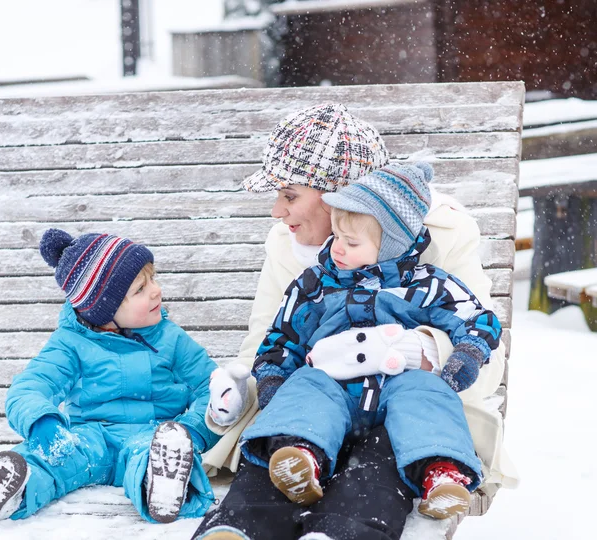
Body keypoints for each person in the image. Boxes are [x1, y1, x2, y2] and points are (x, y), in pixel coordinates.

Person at [196, 104, 517, 540]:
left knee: (379, 461)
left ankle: (340, 532)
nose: (276, 211)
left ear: (340, 194)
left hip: (405, 414)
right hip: (319, 400)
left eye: (289, 195)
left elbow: (482, 339)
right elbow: (269, 343)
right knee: (288, 434)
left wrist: (423, 350)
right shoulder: (290, 250)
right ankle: (237, 527)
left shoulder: (439, 236)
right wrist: (244, 389)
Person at [239, 161, 502, 520]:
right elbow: (282, 335)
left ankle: (441, 472)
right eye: (335, 237)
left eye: (352, 242)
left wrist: (469, 352)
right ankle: (301, 455)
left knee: (428, 395)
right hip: (335, 387)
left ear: (391, 246)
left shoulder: (425, 284)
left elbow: (476, 317)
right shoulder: (315, 284)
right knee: (307, 384)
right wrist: (272, 377)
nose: (337, 250)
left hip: (397, 387)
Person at [0, 229, 223, 524]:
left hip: (154, 434)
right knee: (59, 458)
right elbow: (32, 385)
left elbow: (213, 389)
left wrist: (192, 432)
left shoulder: (171, 339)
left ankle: (164, 481)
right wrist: (42, 420)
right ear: (104, 311)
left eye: (153, 279)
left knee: (149, 455)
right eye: (140, 289)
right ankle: (19, 486)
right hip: (93, 437)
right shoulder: (70, 343)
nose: (155, 290)